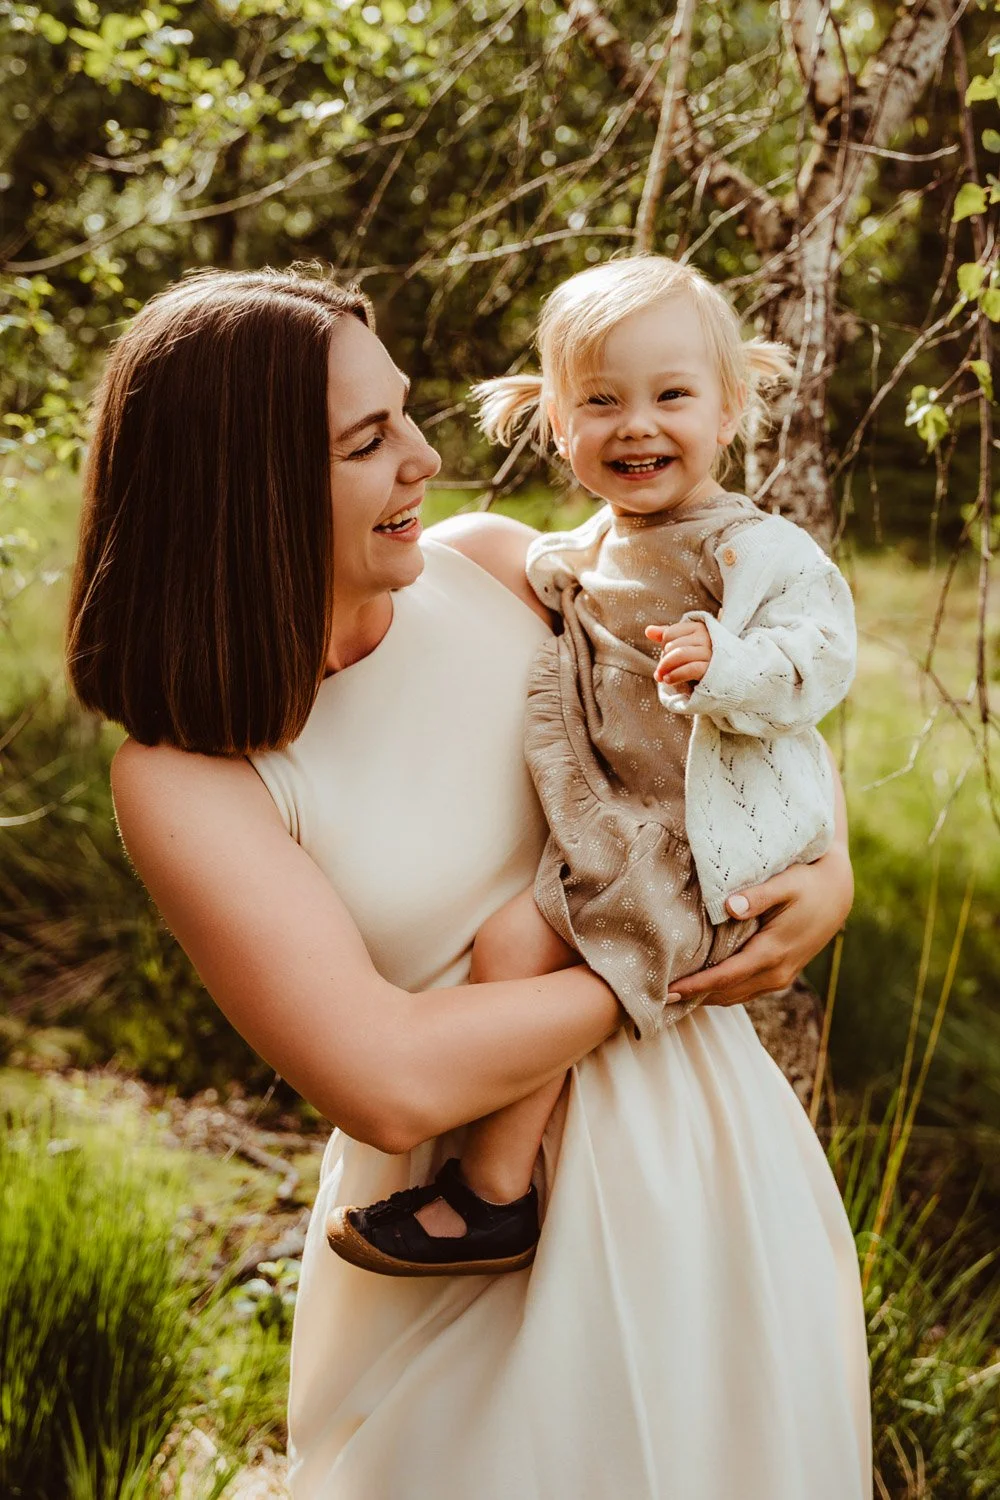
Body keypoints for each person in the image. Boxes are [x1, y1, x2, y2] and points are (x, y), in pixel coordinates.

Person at [67, 265, 871, 1499]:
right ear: (246, 487)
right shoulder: (190, 777)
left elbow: (710, 750)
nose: (425, 458)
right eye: (366, 439)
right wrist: (666, 954)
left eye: (403, 413)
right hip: (461, 1241)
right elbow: (388, 1080)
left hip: (710, 1174)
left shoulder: (501, 569)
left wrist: (827, 875)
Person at [326, 255, 857, 1281]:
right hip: (619, 828)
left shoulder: (752, 549)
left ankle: (490, 1193)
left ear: (729, 407)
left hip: (693, 839)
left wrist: (729, 663)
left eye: (671, 396)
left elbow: (820, 656)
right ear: (556, 426)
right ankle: (488, 1161)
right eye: (598, 402)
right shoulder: (588, 545)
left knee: (573, 936)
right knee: (511, 942)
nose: (636, 425)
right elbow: (563, 587)